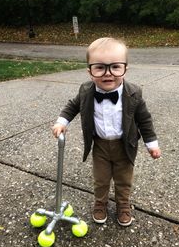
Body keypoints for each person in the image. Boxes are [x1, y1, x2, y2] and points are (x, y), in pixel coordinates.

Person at [52, 37, 161, 227]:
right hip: (100, 146)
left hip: (124, 146)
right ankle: (100, 203)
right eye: (100, 67)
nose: (108, 73)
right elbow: (72, 106)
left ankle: (123, 205)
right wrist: (62, 122)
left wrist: (151, 144)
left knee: (123, 180)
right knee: (100, 179)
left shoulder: (133, 93)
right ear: (90, 71)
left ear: (125, 68)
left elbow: (144, 120)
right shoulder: (86, 91)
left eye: (115, 67)